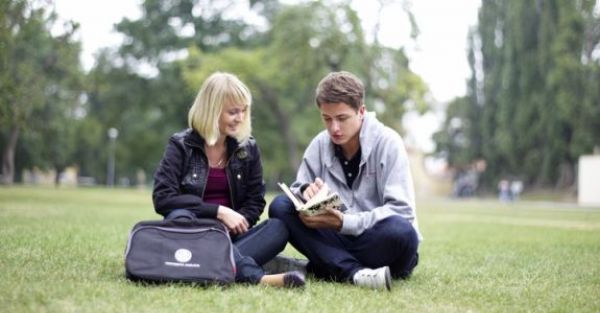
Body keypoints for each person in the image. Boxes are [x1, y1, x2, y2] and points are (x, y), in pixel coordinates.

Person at [269, 71, 420, 291]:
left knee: (402, 232)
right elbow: (296, 190)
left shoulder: (389, 143)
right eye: (326, 119)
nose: (334, 128)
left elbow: (402, 211)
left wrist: (343, 222)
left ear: (361, 111)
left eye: (342, 118)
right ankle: (354, 273)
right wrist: (305, 191)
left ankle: (328, 264)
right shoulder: (319, 144)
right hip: (337, 239)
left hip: (378, 242)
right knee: (281, 206)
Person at [152, 72, 304, 288]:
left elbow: (255, 200)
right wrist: (219, 213)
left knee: (278, 228)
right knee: (180, 217)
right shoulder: (180, 145)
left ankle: (201, 267)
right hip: (193, 234)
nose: (240, 118)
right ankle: (255, 276)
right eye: (233, 112)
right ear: (212, 110)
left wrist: (240, 222)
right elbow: (163, 199)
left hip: (232, 238)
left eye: (244, 111)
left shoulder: (248, 148)